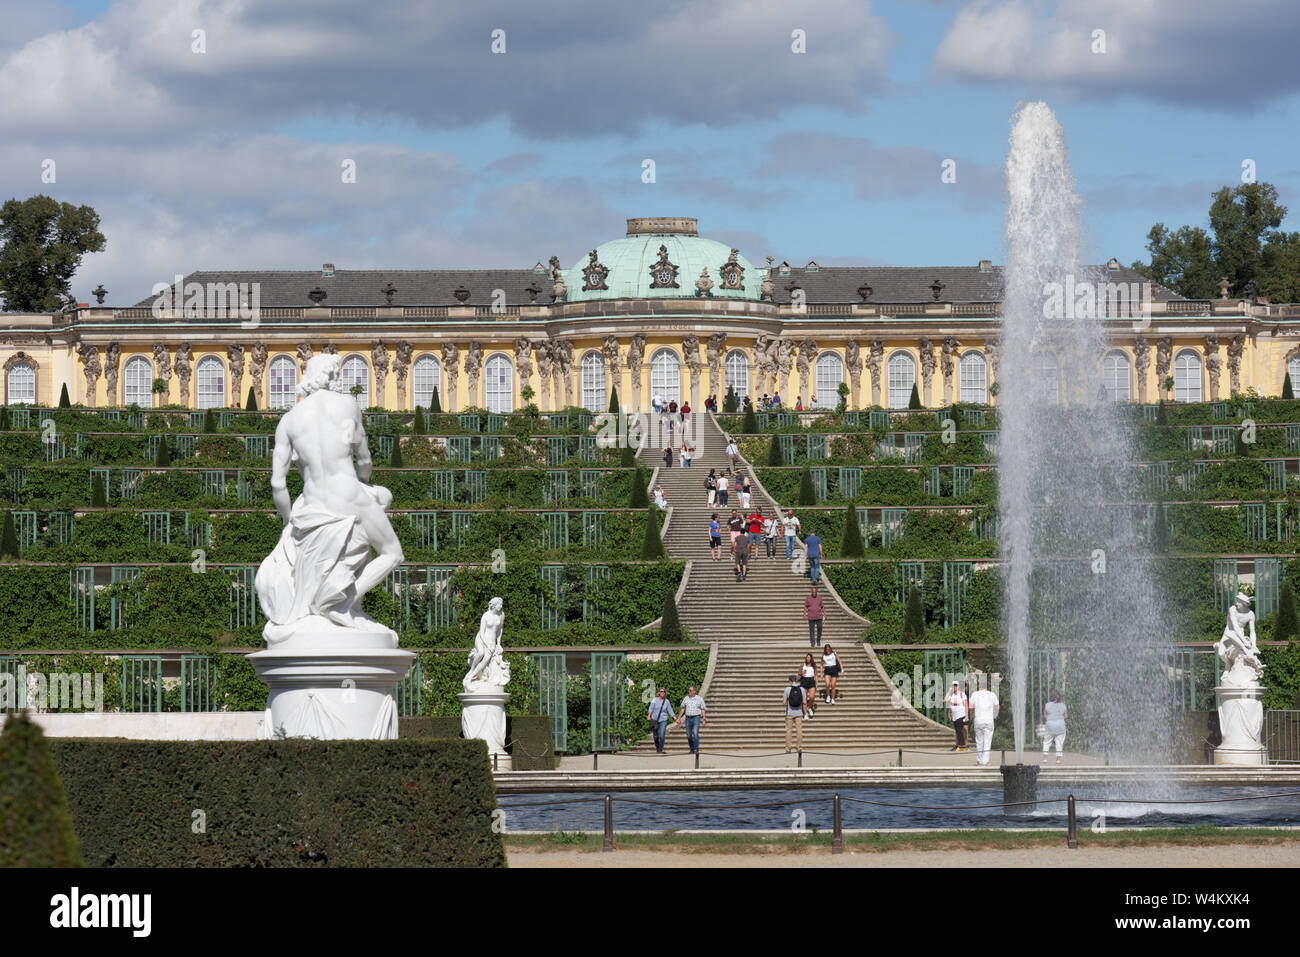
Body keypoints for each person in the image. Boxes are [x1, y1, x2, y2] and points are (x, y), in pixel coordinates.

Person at [969, 683, 1000, 766]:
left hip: (978, 720)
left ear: (980, 686)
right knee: (987, 741)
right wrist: (992, 713)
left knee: (979, 741)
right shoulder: (992, 694)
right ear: (987, 686)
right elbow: (997, 707)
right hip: (989, 720)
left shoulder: (975, 694)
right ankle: (985, 761)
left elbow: (970, 707)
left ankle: (979, 760)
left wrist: (972, 714)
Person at [676, 685, 706, 754]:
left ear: (694, 691)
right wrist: (679, 718)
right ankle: (692, 748)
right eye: (689, 690)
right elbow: (683, 708)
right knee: (688, 735)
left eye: (690, 690)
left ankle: (696, 749)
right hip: (688, 718)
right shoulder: (686, 698)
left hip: (696, 718)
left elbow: (703, 709)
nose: (689, 691)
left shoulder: (699, 698)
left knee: (695, 733)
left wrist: (704, 719)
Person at [1043, 689, 1067, 763]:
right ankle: (1058, 760)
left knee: (1046, 742)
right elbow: (1066, 716)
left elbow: (1045, 715)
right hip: (1060, 726)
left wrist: (1050, 719)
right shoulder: (1063, 705)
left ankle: (1045, 759)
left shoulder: (1047, 705)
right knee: (1059, 743)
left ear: (1051, 697)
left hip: (1050, 726)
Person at [647, 687, 675, 753]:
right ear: (659, 693)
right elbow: (651, 708)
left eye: (664, 692)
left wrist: (675, 718)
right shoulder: (654, 700)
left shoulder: (667, 701)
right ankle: (657, 747)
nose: (662, 693)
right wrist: (649, 715)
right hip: (654, 720)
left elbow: (670, 710)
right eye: (661, 691)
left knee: (662, 735)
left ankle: (660, 750)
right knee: (655, 736)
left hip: (663, 720)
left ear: (665, 693)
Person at [944, 680, 968, 752]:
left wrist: (966, 715)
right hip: (954, 716)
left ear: (958, 686)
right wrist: (949, 691)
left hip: (961, 714)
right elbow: (945, 700)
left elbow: (966, 705)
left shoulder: (962, 694)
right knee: (957, 731)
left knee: (960, 730)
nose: (955, 687)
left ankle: (962, 745)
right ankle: (959, 745)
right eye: (953, 685)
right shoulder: (951, 695)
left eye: (956, 685)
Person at [784, 674, 805, 753]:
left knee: (788, 731)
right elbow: (804, 702)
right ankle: (799, 747)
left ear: (790, 681)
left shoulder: (787, 689)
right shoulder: (802, 689)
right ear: (796, 680)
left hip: (789, 712)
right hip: (799, 713)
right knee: (799, 730)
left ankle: (788, 748)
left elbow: (784, 702)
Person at [799, 654, 818, 719]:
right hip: (804, 681)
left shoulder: (814, 665)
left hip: (811, 681)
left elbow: (816, 675)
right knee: (804, 699)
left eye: (809, 657)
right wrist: (802, 673)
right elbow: (799, 673)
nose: (808, 658)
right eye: (807, 657)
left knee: (812, 697)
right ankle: (805, 714)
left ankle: (809, 708)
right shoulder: (802, 664)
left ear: (811, 658)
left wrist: (817, 683)